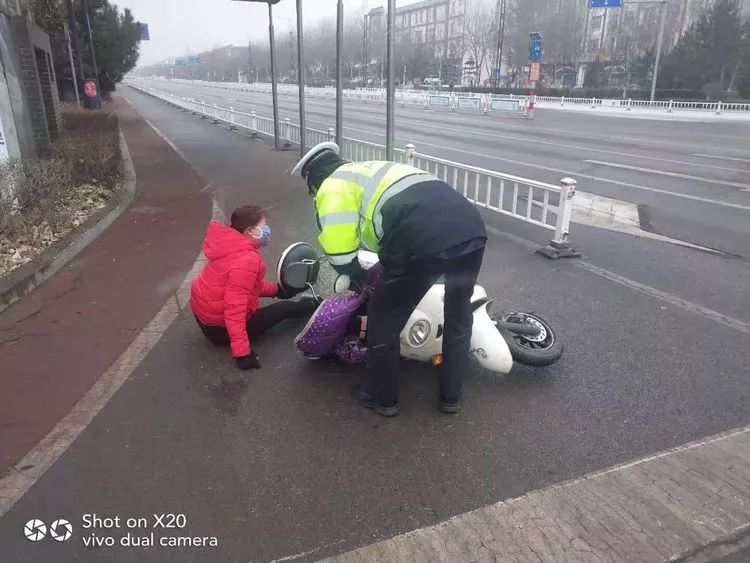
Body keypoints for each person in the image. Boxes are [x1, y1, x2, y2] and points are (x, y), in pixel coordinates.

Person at [292, 142, 487, 416]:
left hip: (420, 239)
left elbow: (339, 252)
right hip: (470, 229)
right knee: (458, 313)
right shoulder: (372, 170)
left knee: (384, 318)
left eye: (310, 188)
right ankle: (451, 397)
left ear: (313, 179)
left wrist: (360, 278)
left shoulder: (332, 186)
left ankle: (381, 397)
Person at [190, 205, 314, 370]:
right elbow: (234, 309)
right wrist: (242, 354)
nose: (267, 230)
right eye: (263, 227)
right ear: (250, 231)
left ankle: (306, 304)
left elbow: (245, 287)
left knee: (278, 303)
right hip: (219, 331)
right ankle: (315, 306)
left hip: (204, 320)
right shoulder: (246, 260)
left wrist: (277, 291)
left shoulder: (229, 246)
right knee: (284, 309)